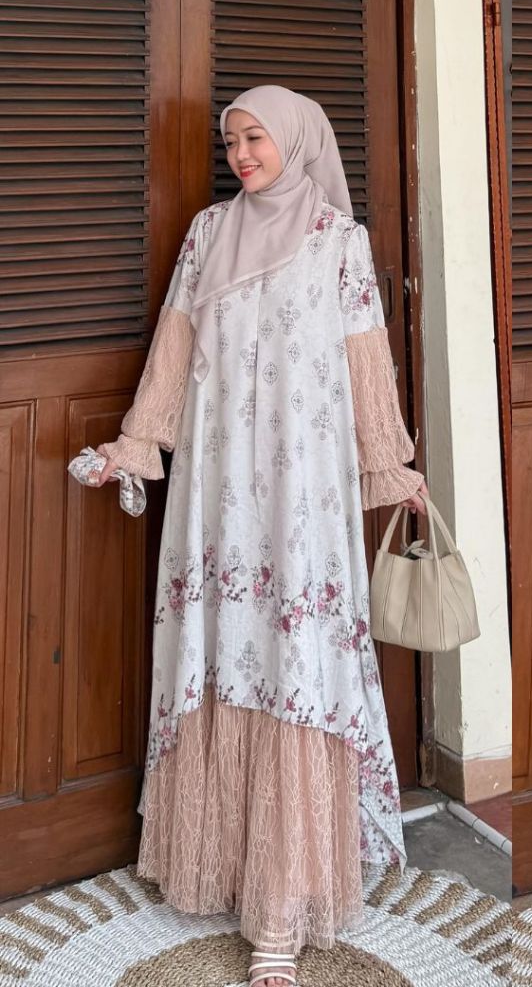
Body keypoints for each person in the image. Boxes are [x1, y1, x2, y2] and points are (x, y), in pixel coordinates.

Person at [87, 85, 426, 987]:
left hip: (302, 488)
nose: (241, 154)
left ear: (298, 141)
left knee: (293, 657)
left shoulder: (338, 241)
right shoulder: (207, 234)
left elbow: (366, 361)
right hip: (217, 481)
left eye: (256, 138)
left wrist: (390, 466)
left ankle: (283, 900)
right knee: (224, 646)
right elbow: (174, 348)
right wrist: (137, 443)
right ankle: (222, 863)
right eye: (232, 140)